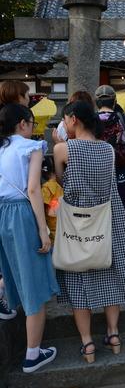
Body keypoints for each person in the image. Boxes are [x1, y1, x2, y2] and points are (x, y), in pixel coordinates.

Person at [53, 101, 125, 364]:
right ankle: (113, 334)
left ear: (73, 119)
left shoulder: (62, 149)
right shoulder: (108, 150)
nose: (65, 125)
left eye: (66, 120)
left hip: (78, 224)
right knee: (111, 275)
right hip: (109, 220)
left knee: (79, 280)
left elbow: (60, 180)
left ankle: (88, 343)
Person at [0, 103, 59, 372]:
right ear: (23, 123)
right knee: (34, 283)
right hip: (23, 214)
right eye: (32, 123)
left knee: (10, 269)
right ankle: (33, 354)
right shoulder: (31, 147)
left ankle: (6, 306)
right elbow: (34, 189)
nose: (33, 128)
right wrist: (42, 229)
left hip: (1, 213)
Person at [95, 85, 125, 260]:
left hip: (100, 169)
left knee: (103, 209)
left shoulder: (91, 120)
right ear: (115, 101)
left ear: (97, 102)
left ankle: (107, 247)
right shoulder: (124, 118)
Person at [41, 157, 63, 242]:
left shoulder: (46, 187)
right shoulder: (60, 186)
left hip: (52, 227)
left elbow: (44, 208)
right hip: (62, 224)